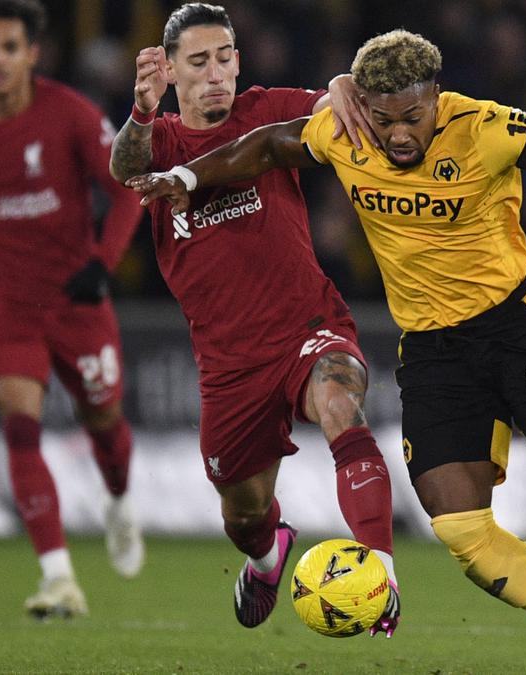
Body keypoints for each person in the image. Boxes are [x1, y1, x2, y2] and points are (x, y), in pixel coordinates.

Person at [128, 29, 526, 674]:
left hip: (515, 326)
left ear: (437, 97)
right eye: (384, 121)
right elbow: (266, 146)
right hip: (433, 353)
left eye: (413, 117)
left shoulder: (483, 128)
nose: (399, 135)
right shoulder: (345, 134)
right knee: (461, 531)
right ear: (366, 111)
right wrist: (185, 174)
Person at [108, 3, 400, 636]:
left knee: (341, 402)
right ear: (169, 71)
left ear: (238, 60)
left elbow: (334, 107)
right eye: (198, 62)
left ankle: (382, 570)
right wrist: (140, 110)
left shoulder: (266, 110)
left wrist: (348, 84)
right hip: (229, 365)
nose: (215, 74)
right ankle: (269, 558)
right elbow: (123, 169)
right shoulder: (157, 142)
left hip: (308, 326)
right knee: (243, 516)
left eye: (224, 58)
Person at [0, 0, 145, 619]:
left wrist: (104, 263)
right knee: (18, 425)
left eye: (9, 48)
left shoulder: (71, 116)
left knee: (103, 422)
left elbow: (128, 186)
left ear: (32, 53)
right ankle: (59, 578)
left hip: (76, 299)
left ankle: (120, 501)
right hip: (5, 303)